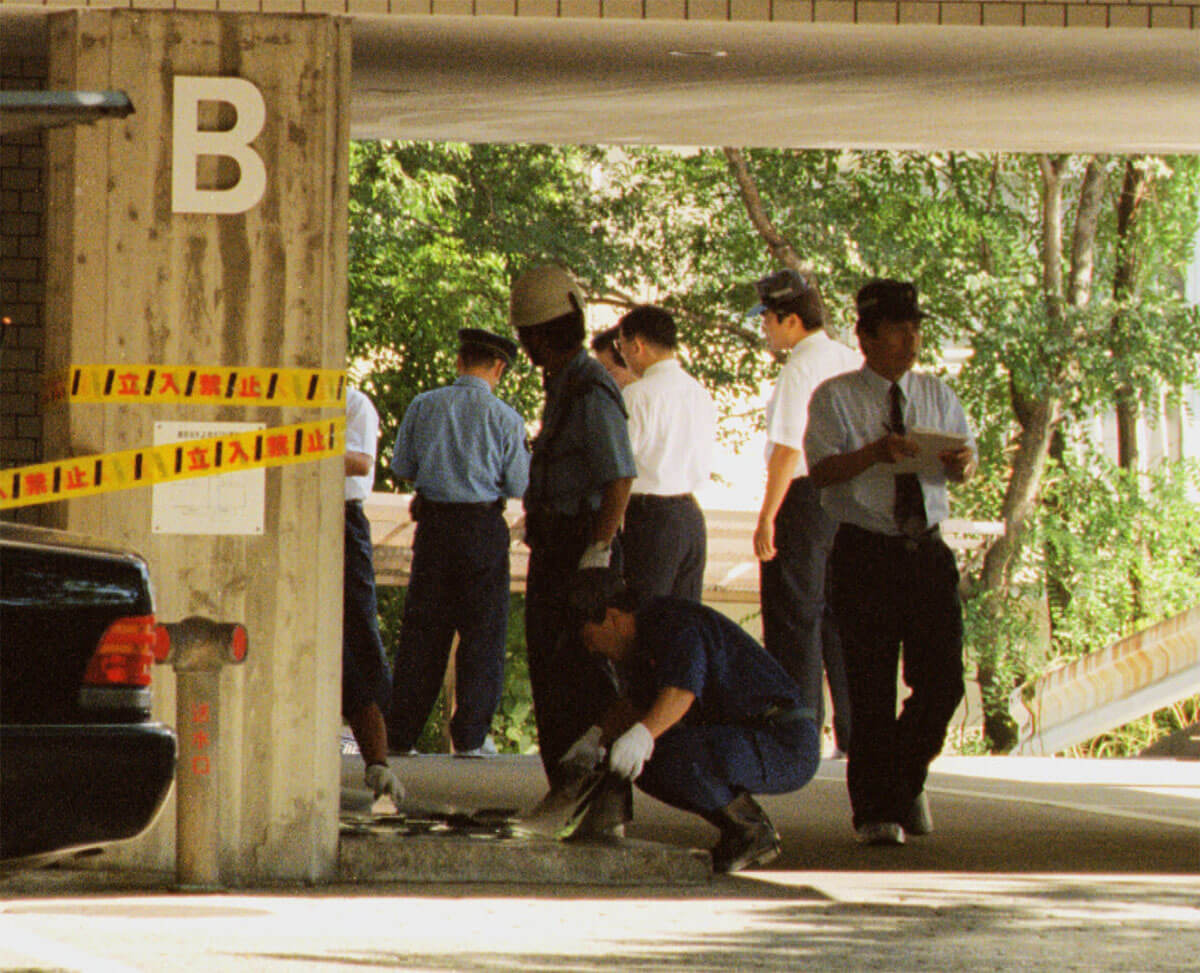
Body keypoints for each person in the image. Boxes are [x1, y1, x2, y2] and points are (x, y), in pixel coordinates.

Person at [804, 279, 977, 846]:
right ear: (867, 337)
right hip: (866, 550)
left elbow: (967, 461)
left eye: (916, 328)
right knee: (871, 686)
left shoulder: (936, 394)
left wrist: (961, 465)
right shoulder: (836, 397)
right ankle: (876, 810)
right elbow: (821, 471)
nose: (911, 339)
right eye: (899, 329)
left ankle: (902, 782)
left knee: (943, 681)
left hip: (925, 549)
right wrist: (874, 454)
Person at [511, 263, 637, 835]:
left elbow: (619, 477)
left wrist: (598, 553)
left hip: (581, 548)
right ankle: (569, 795)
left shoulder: (589, 388)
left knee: (584, 677)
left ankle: (601, 804)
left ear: (537, 338)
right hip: (558, 544)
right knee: (555, 674)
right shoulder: (564, 383)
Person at [571, 590, 820, 873]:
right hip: (750, 737)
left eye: (589, 638)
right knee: (652, 763)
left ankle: (752, 831)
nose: (591, 651)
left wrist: (641, 736)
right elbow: (635, 707)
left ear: (613, 618)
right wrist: (595, 739)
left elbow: (681, 692)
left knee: (678, 756)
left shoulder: (675, 623)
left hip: (784, 741)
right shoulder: (642, 646)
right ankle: (741, 831)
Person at [386, 329, 530, 757]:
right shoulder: (505, 418)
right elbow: (519, 484)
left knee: (423, 631)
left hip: (433, 527)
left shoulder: (424, 405)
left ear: (459, 361)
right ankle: (470, 737)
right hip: (481, 527)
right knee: (482, 633)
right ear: (499, 367)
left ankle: (401, 733)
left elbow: (403, 466)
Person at [750, 268, 860, 757]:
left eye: (768, 320)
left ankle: (798, 732)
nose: (764, 329)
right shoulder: (849, 358)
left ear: (790, 319)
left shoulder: (800, 367)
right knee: (839, 616)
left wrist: (767, 515)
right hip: (848, 496)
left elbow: (788, 448)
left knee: (794, 615)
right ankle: (854, 731)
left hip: (806, 497)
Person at [616, 305, 716, 602]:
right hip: (691, 518)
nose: (623, 357)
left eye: (621, 347)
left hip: (652, 520)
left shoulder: (638, 394)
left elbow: (620, 466)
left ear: (637, 345)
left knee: (644, 615)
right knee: (683, 618)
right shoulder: (699, 392)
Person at [343, 386, 405, 804]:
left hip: (343, 517)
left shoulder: (354, 403)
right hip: (294, 512)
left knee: (360, 632)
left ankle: (380, 756)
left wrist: (300, 445)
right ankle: (376, 759)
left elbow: (362, 462)